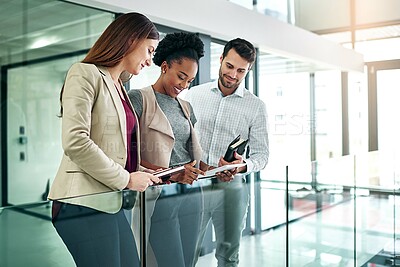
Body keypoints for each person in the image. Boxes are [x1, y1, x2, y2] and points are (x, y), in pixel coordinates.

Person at [47, 12, 161, 267]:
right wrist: (128, 179)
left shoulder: (120, 85)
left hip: (111, 201)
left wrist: (142, 171)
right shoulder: (85, 73)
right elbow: (76, 141)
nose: (150, 61)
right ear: (131, 39)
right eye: (150, 50)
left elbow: (115, 148)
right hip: (82, 203)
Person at [185, 38, 269, 267]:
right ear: (221, 60)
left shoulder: (256, 106)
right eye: (230, 66)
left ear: (248, 70)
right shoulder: (193, 95)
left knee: (228, 256)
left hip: (231, 189)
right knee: (186, 251)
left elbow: (262, 156)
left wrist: (240, 166)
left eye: (241, 70)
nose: (233, 75)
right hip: (195, 184)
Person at [128, 32, 205, 267]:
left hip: (192, 195)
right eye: (181, 76)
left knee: (189, 261)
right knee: (171, 262)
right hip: (162, 195)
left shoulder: (187, 108)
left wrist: (215, 167)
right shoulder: (138, 99)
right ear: (164, 66)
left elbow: (191, 154)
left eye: (190, 81)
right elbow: (129, 155)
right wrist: (172, 173)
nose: (184, 85)